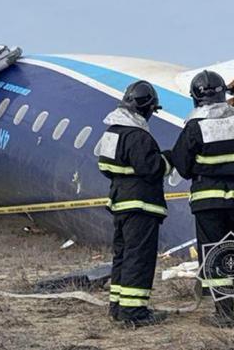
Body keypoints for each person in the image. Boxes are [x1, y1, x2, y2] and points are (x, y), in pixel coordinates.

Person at [170, 70, 234, 327]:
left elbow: (183, 166)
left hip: (208, 200)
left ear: (196, 98)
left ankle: (225, 313)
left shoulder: (195, 126)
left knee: (215, 253)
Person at [98, 81, 171, 327]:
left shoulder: (112, 132)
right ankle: (134, 313)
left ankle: (117, 307)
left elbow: (104, 167)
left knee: (123, 255)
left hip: (120, 203)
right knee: (139, 257)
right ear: (147, 108)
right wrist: (168, 160)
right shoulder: (138, 136)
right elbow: (152, 169)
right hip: (141, 206)